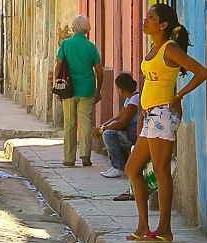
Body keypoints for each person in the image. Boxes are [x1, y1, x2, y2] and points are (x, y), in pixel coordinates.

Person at [125, 3, 207, 243]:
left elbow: (202, 72)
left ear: (163, 25)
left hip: (164, 113)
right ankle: (143, 226)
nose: (145, 20)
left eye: (150, 18)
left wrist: (179, 96)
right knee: (132, 168)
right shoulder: (154, 47)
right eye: (146, 16)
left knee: (161, 170)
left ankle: (164, 229)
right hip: (151, 114)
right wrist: (141, 113)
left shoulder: (170, 49)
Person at [55, 15, 104, 167]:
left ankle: (69, 158)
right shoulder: (91, 47)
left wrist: (58, 89)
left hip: (69, 89)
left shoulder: (65, 45)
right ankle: (85, 156)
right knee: (86, 123)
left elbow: (58, 66)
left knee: (69, 123)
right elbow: (99, 71)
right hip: (87, 89)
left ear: (74, 28)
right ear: (87, 30)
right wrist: (98, 90)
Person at [99, 73, 142, 178]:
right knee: (109, 130)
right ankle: (116, 166)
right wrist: (101, 126)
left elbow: (122, 122)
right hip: (130, 133)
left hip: (135, 136)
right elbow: (118, 117)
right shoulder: (130, 99)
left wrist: (102, 130)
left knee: (109, 134)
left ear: (121, 89)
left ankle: (119, 167)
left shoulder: (134, 101)